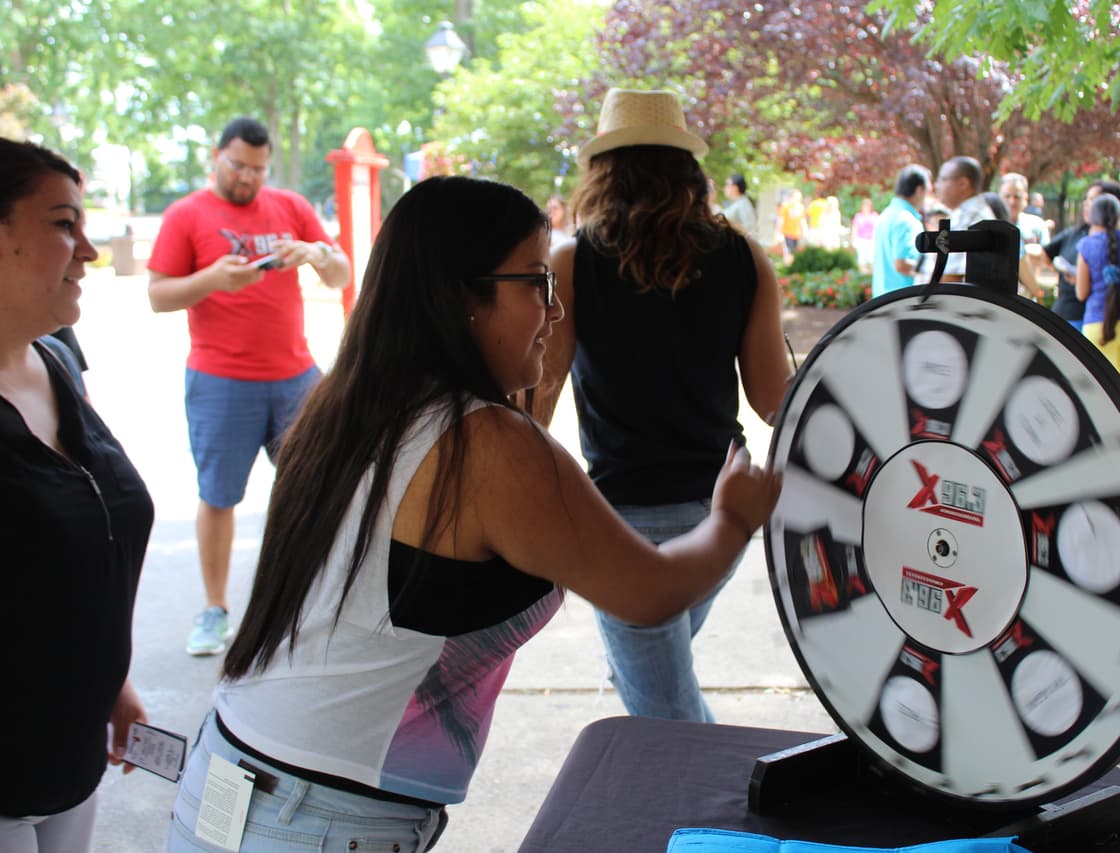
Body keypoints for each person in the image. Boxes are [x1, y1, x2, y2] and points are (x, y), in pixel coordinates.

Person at [165, 174, 782, 851]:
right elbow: (649, 593)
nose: (555, 310)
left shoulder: (347, 404)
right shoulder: (483, 442)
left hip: (233, 778)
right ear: (462, 295)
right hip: (312, 817)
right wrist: (732, 519)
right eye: (538, 283)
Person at [530, 88, 794, 723]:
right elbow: (773, 400)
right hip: (722, 511)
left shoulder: (572, 262)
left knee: (665, 717)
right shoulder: (745, 258)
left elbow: (537, 400)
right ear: (689, 171)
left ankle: (718, 790)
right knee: (654, 679)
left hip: (620, 522)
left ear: (603, 172)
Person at [147, 117, 352, 657]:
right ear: (216, 156)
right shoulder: (186, 214)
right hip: (220, 380)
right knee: (218, 495)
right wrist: (213, 279)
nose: (247, 178)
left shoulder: (290, 206)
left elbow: (341, 273)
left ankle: (308, 605)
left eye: (258, 169)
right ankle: (214, 611)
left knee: (318, 489)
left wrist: (316, 254)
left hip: (296, 377)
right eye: (238, 165)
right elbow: (158, 295)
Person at [0, 139, 154, 852]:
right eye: (64, 224)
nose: (89, 251)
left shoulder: (56, 360)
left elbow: (83, 536)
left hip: (72, 761)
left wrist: (111, 681)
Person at [1075, 192, 1120, 394]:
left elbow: (1081, 293)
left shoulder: (1087, 246)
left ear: (1093, 218)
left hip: (1097, 326)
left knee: (1100, 394)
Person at [1042, 180, 1120, 331]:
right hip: (1067, 317)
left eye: (1093, 199)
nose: (1087, 204)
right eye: (1087, 199)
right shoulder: (1074, 235)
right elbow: (1043, 254)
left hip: (1103, 322)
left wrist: (1083, 279)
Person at [871, 164, 930, 298]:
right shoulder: (907, 220)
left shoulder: (886, 215)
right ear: (919, 190)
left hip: (882, 299)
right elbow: (902, 265)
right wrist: (930, 270)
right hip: (901, 300)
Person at [934, 155, 995, 282]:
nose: (936, 185)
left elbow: (952, 277)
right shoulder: (964, 213)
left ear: (963, 183)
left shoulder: (972, 217)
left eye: (943, 179)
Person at [776, 189, 807, 264]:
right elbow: (781, 220)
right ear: (792, 197)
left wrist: (805, 231)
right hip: (787, 233)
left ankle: (792, 265)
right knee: (788, 253)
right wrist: (778, 233)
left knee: (795, 253)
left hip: (797, 234)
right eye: (797, 197)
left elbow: (802, 220)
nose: (799, 199)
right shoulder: (785, 207)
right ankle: (788, 266)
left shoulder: (801, 207)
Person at [850, 197, 879, 272]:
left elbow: (877, 228)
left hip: (871, 240)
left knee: (872, 258)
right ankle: (863, 274)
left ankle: (871, 273)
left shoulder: (875, 215)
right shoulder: (858, 216)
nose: (866, 208)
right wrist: (853, 239)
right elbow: (855, 228)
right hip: (861, 239)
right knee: (862, 258)